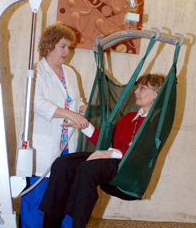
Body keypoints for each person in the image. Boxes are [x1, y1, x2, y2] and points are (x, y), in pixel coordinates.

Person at [39, 74, 165, 228]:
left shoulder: (157, 124)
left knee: (87, 169)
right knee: (62, 163)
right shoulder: (128, 118)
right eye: (137, 87)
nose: (136, 92)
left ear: (156, 95)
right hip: (111, 161)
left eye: (142, 88)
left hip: (128, 170)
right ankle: (49, 224)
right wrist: (86, 126)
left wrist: (111, 153)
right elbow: (106, 144)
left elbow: (142, 153)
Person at [19, 24, 89, 228]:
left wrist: (85, 107)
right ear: (49, 46)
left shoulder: (70, 73)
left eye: (69, 47)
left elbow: (75, 100)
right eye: (63, 46)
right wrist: (70, 114)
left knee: (66, 196)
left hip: (67, 146)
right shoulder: (35, 72)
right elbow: (35, 103)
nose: (67, 52)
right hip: (42, 145)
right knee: (37, 197)